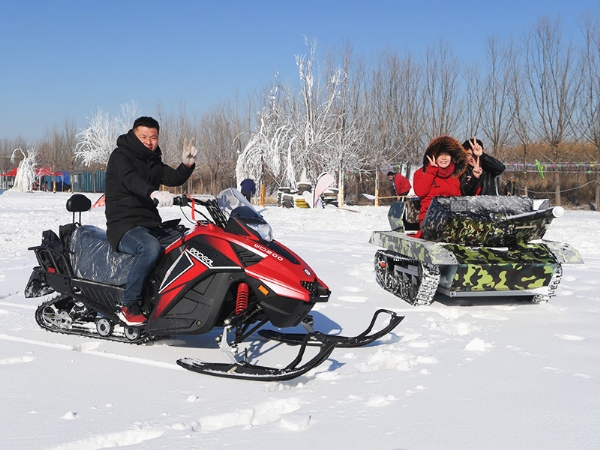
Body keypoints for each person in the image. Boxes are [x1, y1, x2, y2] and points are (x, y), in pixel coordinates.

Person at [105, 116, 197, 326]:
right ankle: (129, 305)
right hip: (123, 226)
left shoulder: (153, 161)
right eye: (143, 136)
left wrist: (187, 164)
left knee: (189, 240)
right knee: (150, 247)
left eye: (153, 137)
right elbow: (130, 179)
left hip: (150, 224)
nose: (149, 141)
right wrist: (152, 192)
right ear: (134, 135)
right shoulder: (120, 157)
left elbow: (173, 178)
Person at [413, 135, 466, 234]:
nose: (444, 158)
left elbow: (460, 201)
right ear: (433, 156)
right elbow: (420, 191)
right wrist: (431, 172)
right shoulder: (422, 173)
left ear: (452, 157)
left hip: (452, 221)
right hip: (429, 220)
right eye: (440, 154)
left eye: (447, 154)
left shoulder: (455, 177)